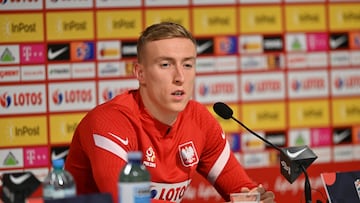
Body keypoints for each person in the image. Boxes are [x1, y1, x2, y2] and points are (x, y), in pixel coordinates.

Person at [65, 22, 276, 203]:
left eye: (187, 64)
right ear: (141, 73)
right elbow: (125, 199)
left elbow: (239, 187)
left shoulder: (199, 119)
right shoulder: (108, 122)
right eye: (166, 64)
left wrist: (254, 197)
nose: (180, 77)